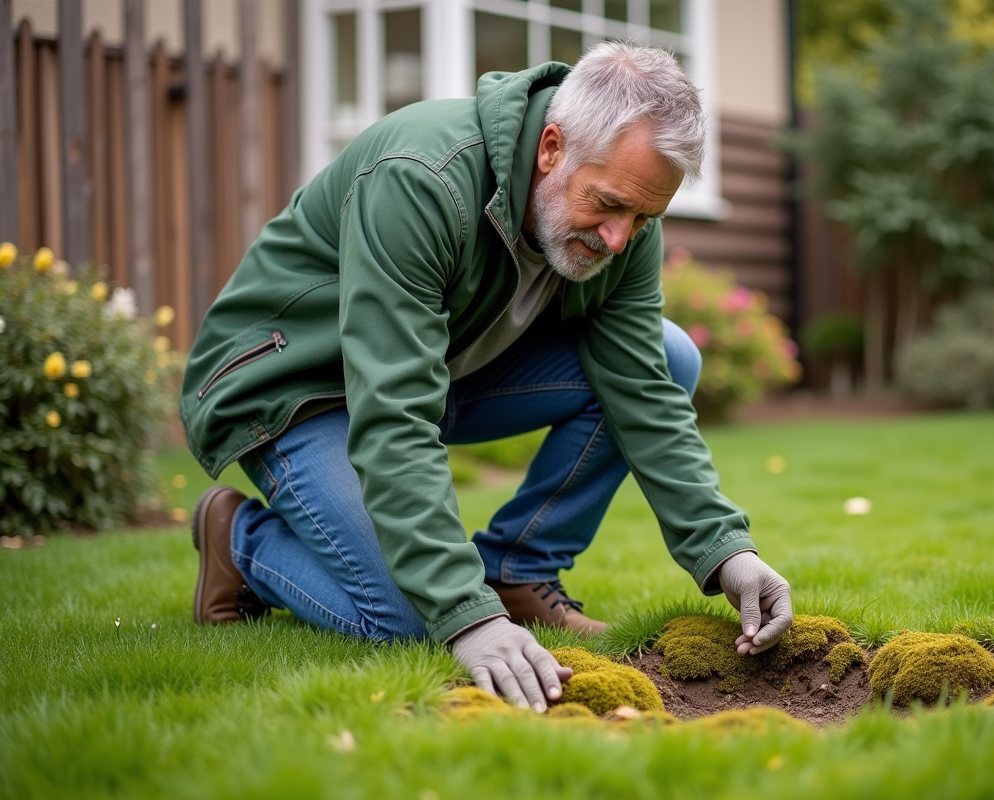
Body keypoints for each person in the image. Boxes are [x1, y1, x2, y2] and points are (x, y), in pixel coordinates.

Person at [181, 42, 793, 713]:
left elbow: (644, 389)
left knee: (674, 357)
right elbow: (394, 413)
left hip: (439, 367)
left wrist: (726, 551)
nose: (621, 239)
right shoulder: (422, 177)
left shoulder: (623, 226)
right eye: (610, 204)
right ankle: (241, 543)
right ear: (552, 148)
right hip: (294, 385)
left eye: (644, 218)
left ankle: (517, 570)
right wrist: (465, 616)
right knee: (417, 620)